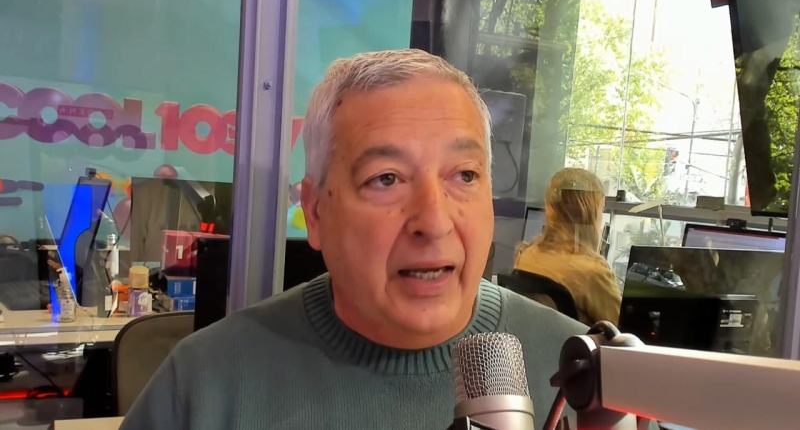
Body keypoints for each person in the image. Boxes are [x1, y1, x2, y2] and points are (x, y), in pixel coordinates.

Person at [120, 49, 586, 430]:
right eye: (386, 179)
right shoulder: (204, 387)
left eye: (464, 175)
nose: (434, 221)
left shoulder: (585, 374)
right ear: (315, 212)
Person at [515, 168, 621, 326]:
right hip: (573, 343)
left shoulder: (527, 254)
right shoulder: (592, 272)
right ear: (588, 215)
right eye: (601, 209)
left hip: (537, 340)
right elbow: (627, 332)